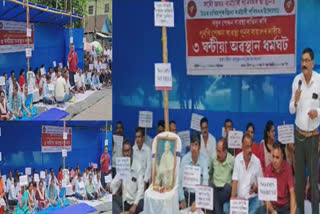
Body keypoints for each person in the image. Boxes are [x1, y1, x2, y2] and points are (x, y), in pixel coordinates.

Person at [289, 48, 320, 214]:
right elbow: (291, 110)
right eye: (302, 61)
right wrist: (295, 101)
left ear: (313, 63)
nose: (303, 64)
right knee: (299, 180)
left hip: (314, 137)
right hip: (299, 136)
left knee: (314, 180)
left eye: (307, 60)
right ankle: (300, 211)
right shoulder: (296, 81)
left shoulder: (319, 80)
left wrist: (318, 113)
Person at [256, 141, 297, 214]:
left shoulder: (287, 168)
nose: (274, 160)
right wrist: (272, 211)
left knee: (298, 211)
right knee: (259, 211)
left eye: (277, 157)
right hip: (273, 207)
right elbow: (266, 197)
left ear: (282, 156)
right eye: (273, 156)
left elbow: (292, 192)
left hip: (285, 206)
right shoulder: (268, 170)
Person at [231, 134, 263, 214]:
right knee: (226, 207)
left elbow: (261, 186)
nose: (249, 150)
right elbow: (235, 181)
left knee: (258, 203)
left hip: (252, 199)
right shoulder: (237, 159)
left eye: (250, 147)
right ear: (242, 147)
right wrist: (232, 200)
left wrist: (256, 188)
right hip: (240, 200)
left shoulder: (257, 162)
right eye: (247, 147)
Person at [112, 139, 144, 214]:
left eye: (128, 150)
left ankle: (126, 212)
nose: (127, 153)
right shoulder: (122, 164)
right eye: (125, 151)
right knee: (113, 199)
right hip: (125, 202)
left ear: (132, 151)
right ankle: (124, 213)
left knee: (142, 203)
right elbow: (114, 184)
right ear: (123, 153)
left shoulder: (138, 166)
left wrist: (135, 205)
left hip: (136, 202)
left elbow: (141, 189)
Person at [179, 133, 209, 212]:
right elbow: (180, 181)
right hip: (186, 193)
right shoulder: (185, 159)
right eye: (192, 145)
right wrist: (181, 199)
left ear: (199, 147)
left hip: (198, 195)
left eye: (196, 145)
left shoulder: (204, 161)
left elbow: (205, 182)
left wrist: (198, 201)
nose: (193, 148)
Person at [210, 138, 234, 214]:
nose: (217, 153)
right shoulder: (213, 158)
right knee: (211, 187)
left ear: (225, 152)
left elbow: (235, 179)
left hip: (225, 190)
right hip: (215, 188)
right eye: (217, 150)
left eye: (219, 152)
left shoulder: (232, 160)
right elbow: (210, 173)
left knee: (227, 187)